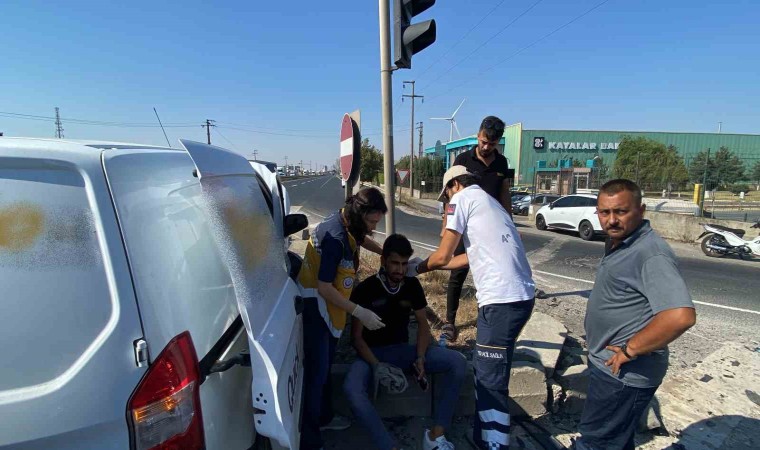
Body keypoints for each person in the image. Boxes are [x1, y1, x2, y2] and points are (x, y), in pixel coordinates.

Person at [415, 165, 536, 450]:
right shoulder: (489, 203)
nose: (446, 204)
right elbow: (465, 258)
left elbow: (444, 253)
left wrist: (417, 268)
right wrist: (425, 268)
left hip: (500, 301)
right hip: (520, 299)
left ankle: (494, 445)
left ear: (454, 185)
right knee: (493, 371)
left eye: (445, 198)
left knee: (489, 379)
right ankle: (485, 437)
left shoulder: (462, 199)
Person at [575, 179, 696, 450]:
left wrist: (630, 350)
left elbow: (680, 316)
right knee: (616, 439)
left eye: (621, 212)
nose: (611, 220)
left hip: (622, 375)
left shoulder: (649, 253)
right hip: (610, 368)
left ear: (641, 211)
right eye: (604, 212)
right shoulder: (622, 242)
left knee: (598, 442)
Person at [344, 234, 466, 450]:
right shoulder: (366, 289)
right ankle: (389, 446)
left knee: (457, 362)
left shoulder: (411, 285)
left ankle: (435, 435)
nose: (399, 270)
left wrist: (420, 357)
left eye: (403, 264)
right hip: (372, 355)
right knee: (351, 388)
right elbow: (356, 338)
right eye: (394, 263)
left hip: (403, 352)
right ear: (383, 261)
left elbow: (423, 325)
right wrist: (377, 367)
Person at [298, 187, 389, 450]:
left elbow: (360, 239)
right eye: (371, 221)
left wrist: (384, 253)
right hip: (317, 308)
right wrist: (359, 312)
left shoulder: (344, 220)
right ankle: (310, 439)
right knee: (317, 375)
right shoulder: (335, 239)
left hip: (330, 306)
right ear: (359, 215)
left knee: (325, 370)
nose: (373, 227)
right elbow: (325, 287)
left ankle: (324, 417)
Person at [440, 115, 513, 342]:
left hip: (490, 230)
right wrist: (446, 225)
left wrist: (509, 225)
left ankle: (488, 322)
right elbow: (450, 195)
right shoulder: (463, 159)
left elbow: (504, 194)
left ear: (498, 142)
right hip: (464, 226)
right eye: (483, 141)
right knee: (457, 274)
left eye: (491, 144)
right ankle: (450, 322)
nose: (485, 146)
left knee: (490, 273)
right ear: (478, 135)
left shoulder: (502, 163)